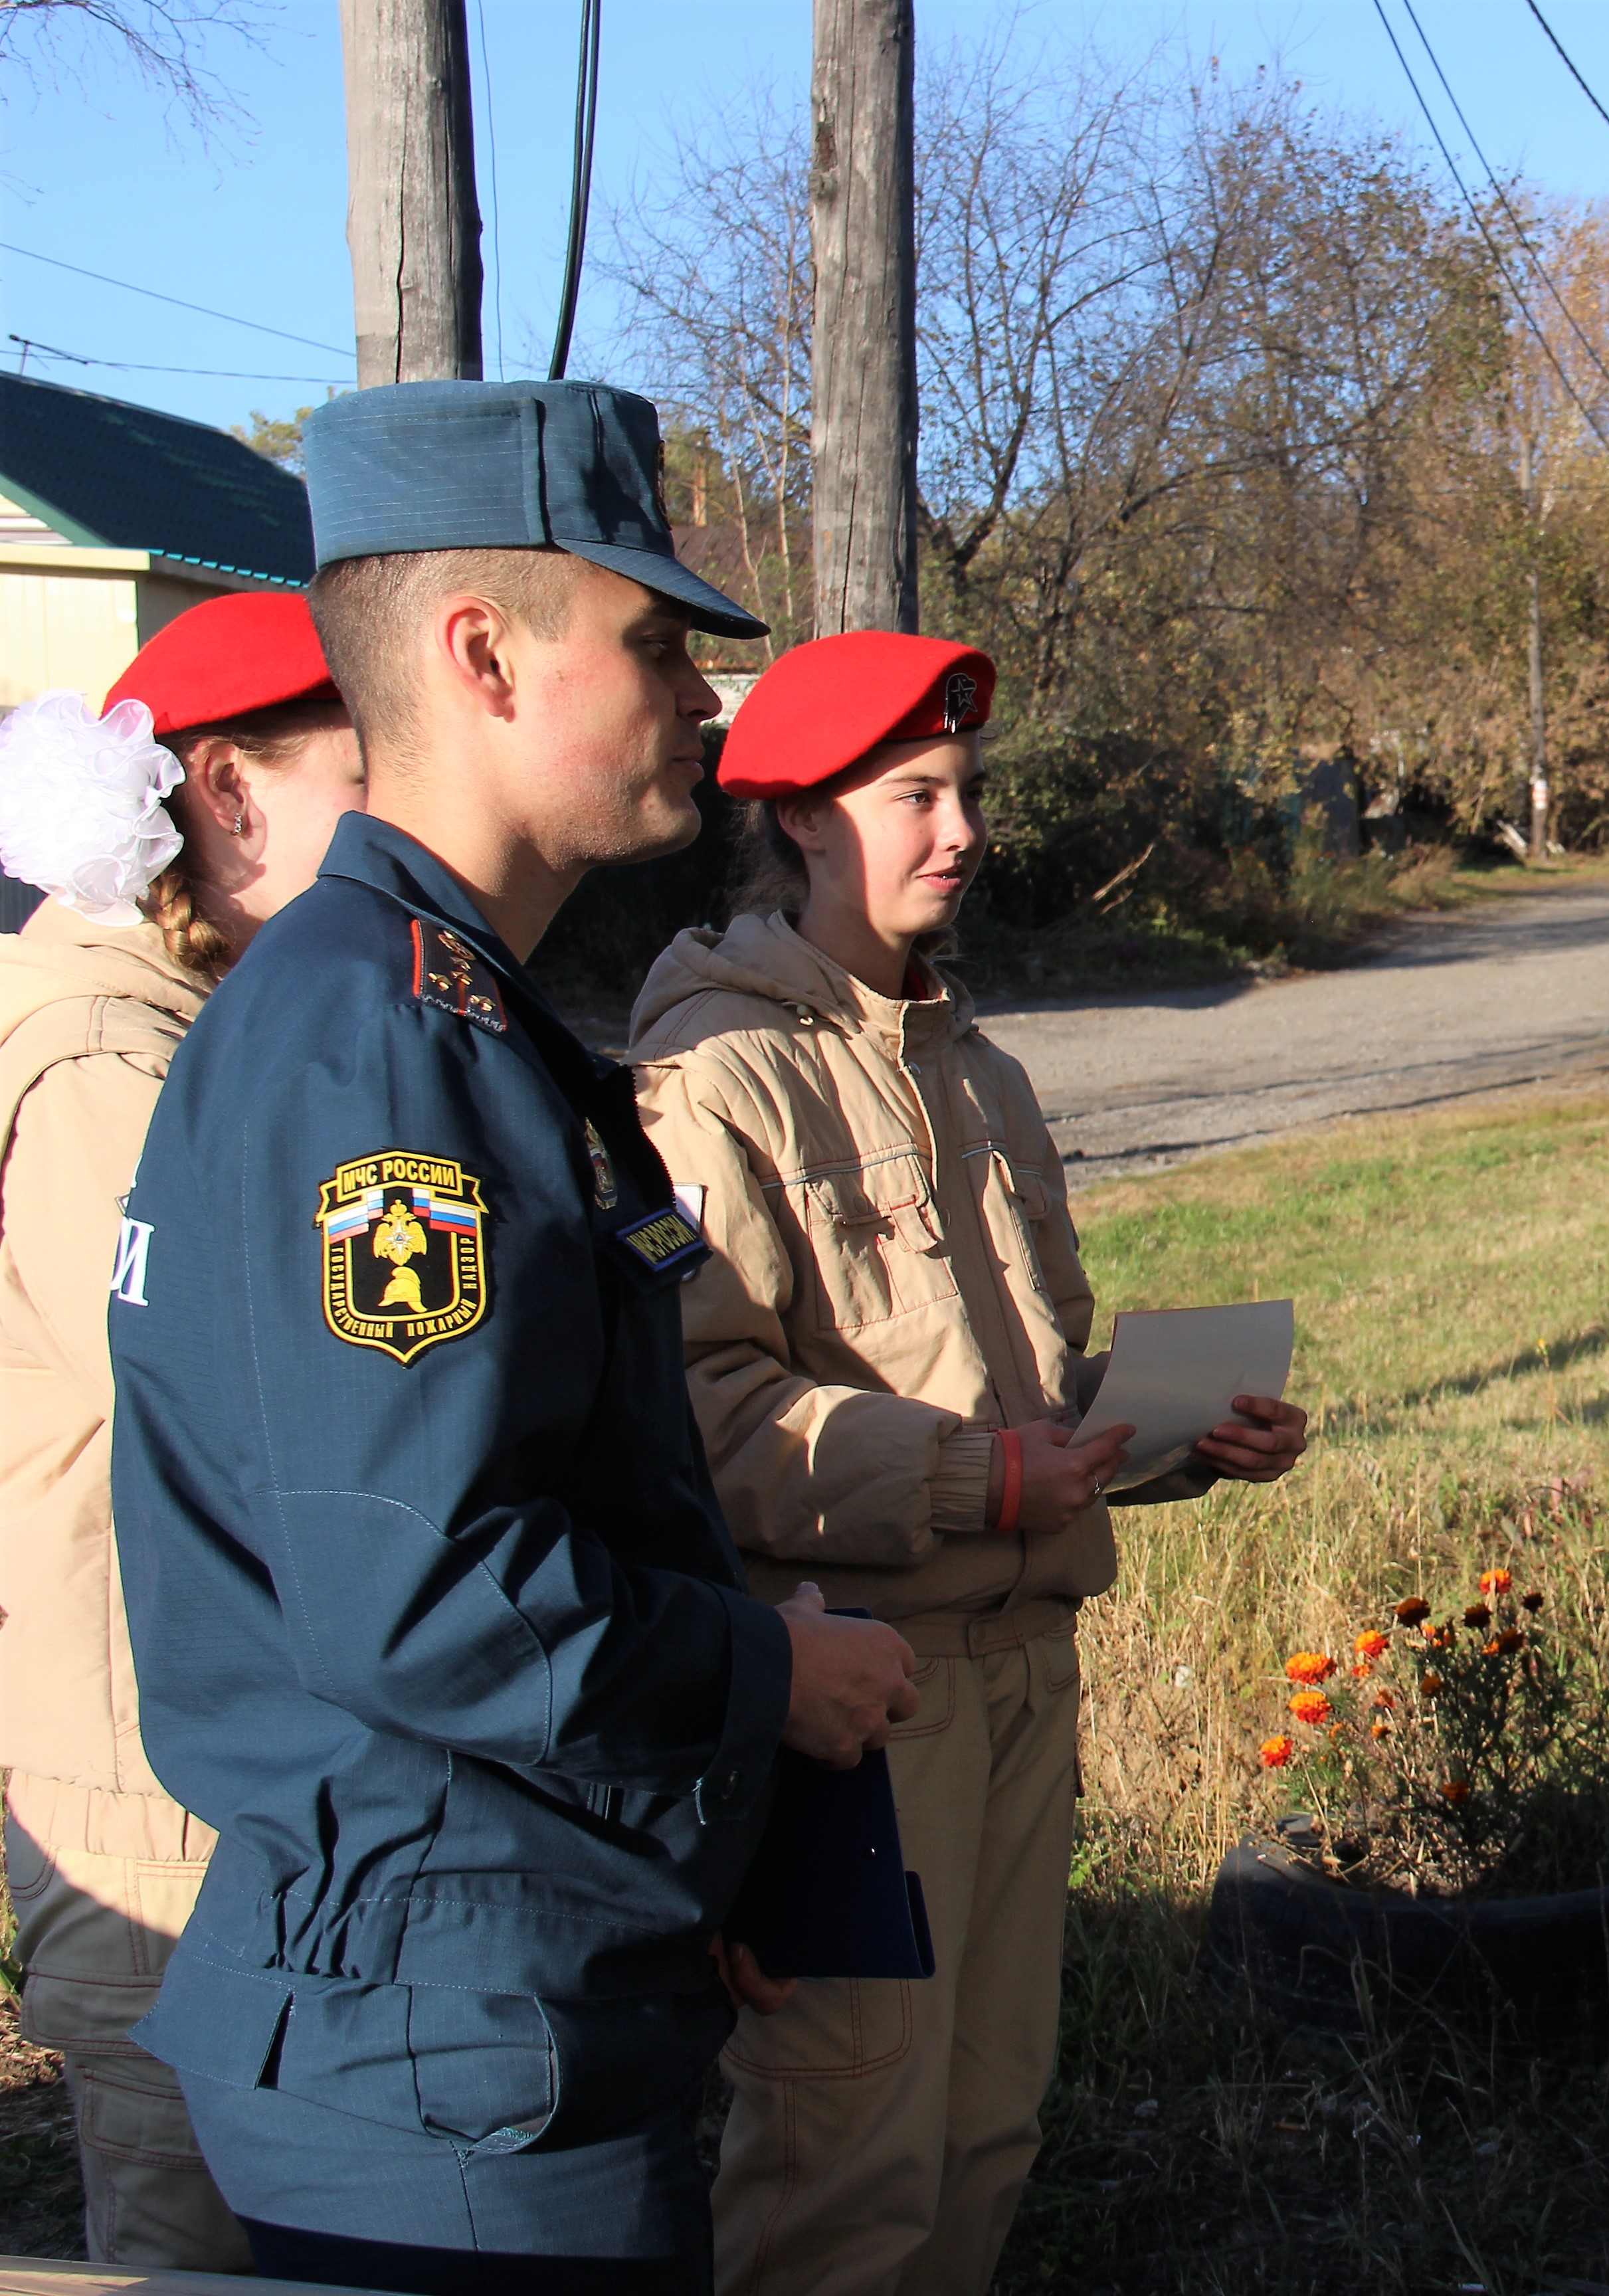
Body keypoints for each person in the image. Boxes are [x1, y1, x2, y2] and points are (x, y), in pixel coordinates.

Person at [102, 380, 923, 2296]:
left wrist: (689, 1837)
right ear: (482, 652)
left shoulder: (442, 1015)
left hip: (503, 1976)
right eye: (653, 643)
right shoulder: (389, 1046)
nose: (708, 700)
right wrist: (760, 1679)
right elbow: (427, 1591)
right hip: (452, 2060)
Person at [628, 630, 1311, 2296]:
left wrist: (1173, 1436)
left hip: (1025, 1686)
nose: (960, 830)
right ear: (796, 817)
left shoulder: (982, 1071)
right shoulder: (709, 1077)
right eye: (912, 795)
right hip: (854, 1707)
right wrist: (972, 1482)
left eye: (966, 793)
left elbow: (1041, 1378)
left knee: (984, 2135)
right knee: (837, 2166)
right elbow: (694, 1413)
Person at [0, 593, 367, 2271]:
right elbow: (210, 1384)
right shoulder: (98, 1052)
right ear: (225, 795)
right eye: (366, 783)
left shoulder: (180, 1018)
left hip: (210, 1752)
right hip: (153, 1787)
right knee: (189, 2229)